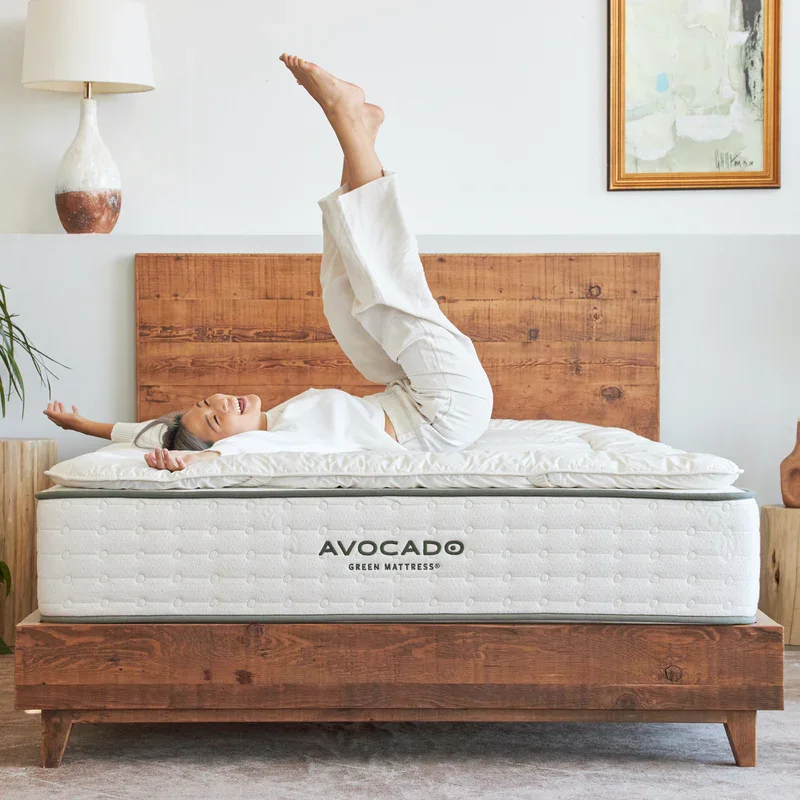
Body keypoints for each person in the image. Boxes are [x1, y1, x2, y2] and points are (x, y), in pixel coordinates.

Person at [44, 54, 493, 472]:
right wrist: (187, 464)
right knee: (389, 294)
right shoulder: (267, 444)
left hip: (411, 398)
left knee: (344, 294)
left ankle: (360, 135)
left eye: (205, 402)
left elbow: (156, 431)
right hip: (445, 412)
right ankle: (345, 118)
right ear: (227, 442)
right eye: (216, 420)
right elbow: (228, 460)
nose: (220, 403)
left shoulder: (272, 422)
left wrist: (84, 426)